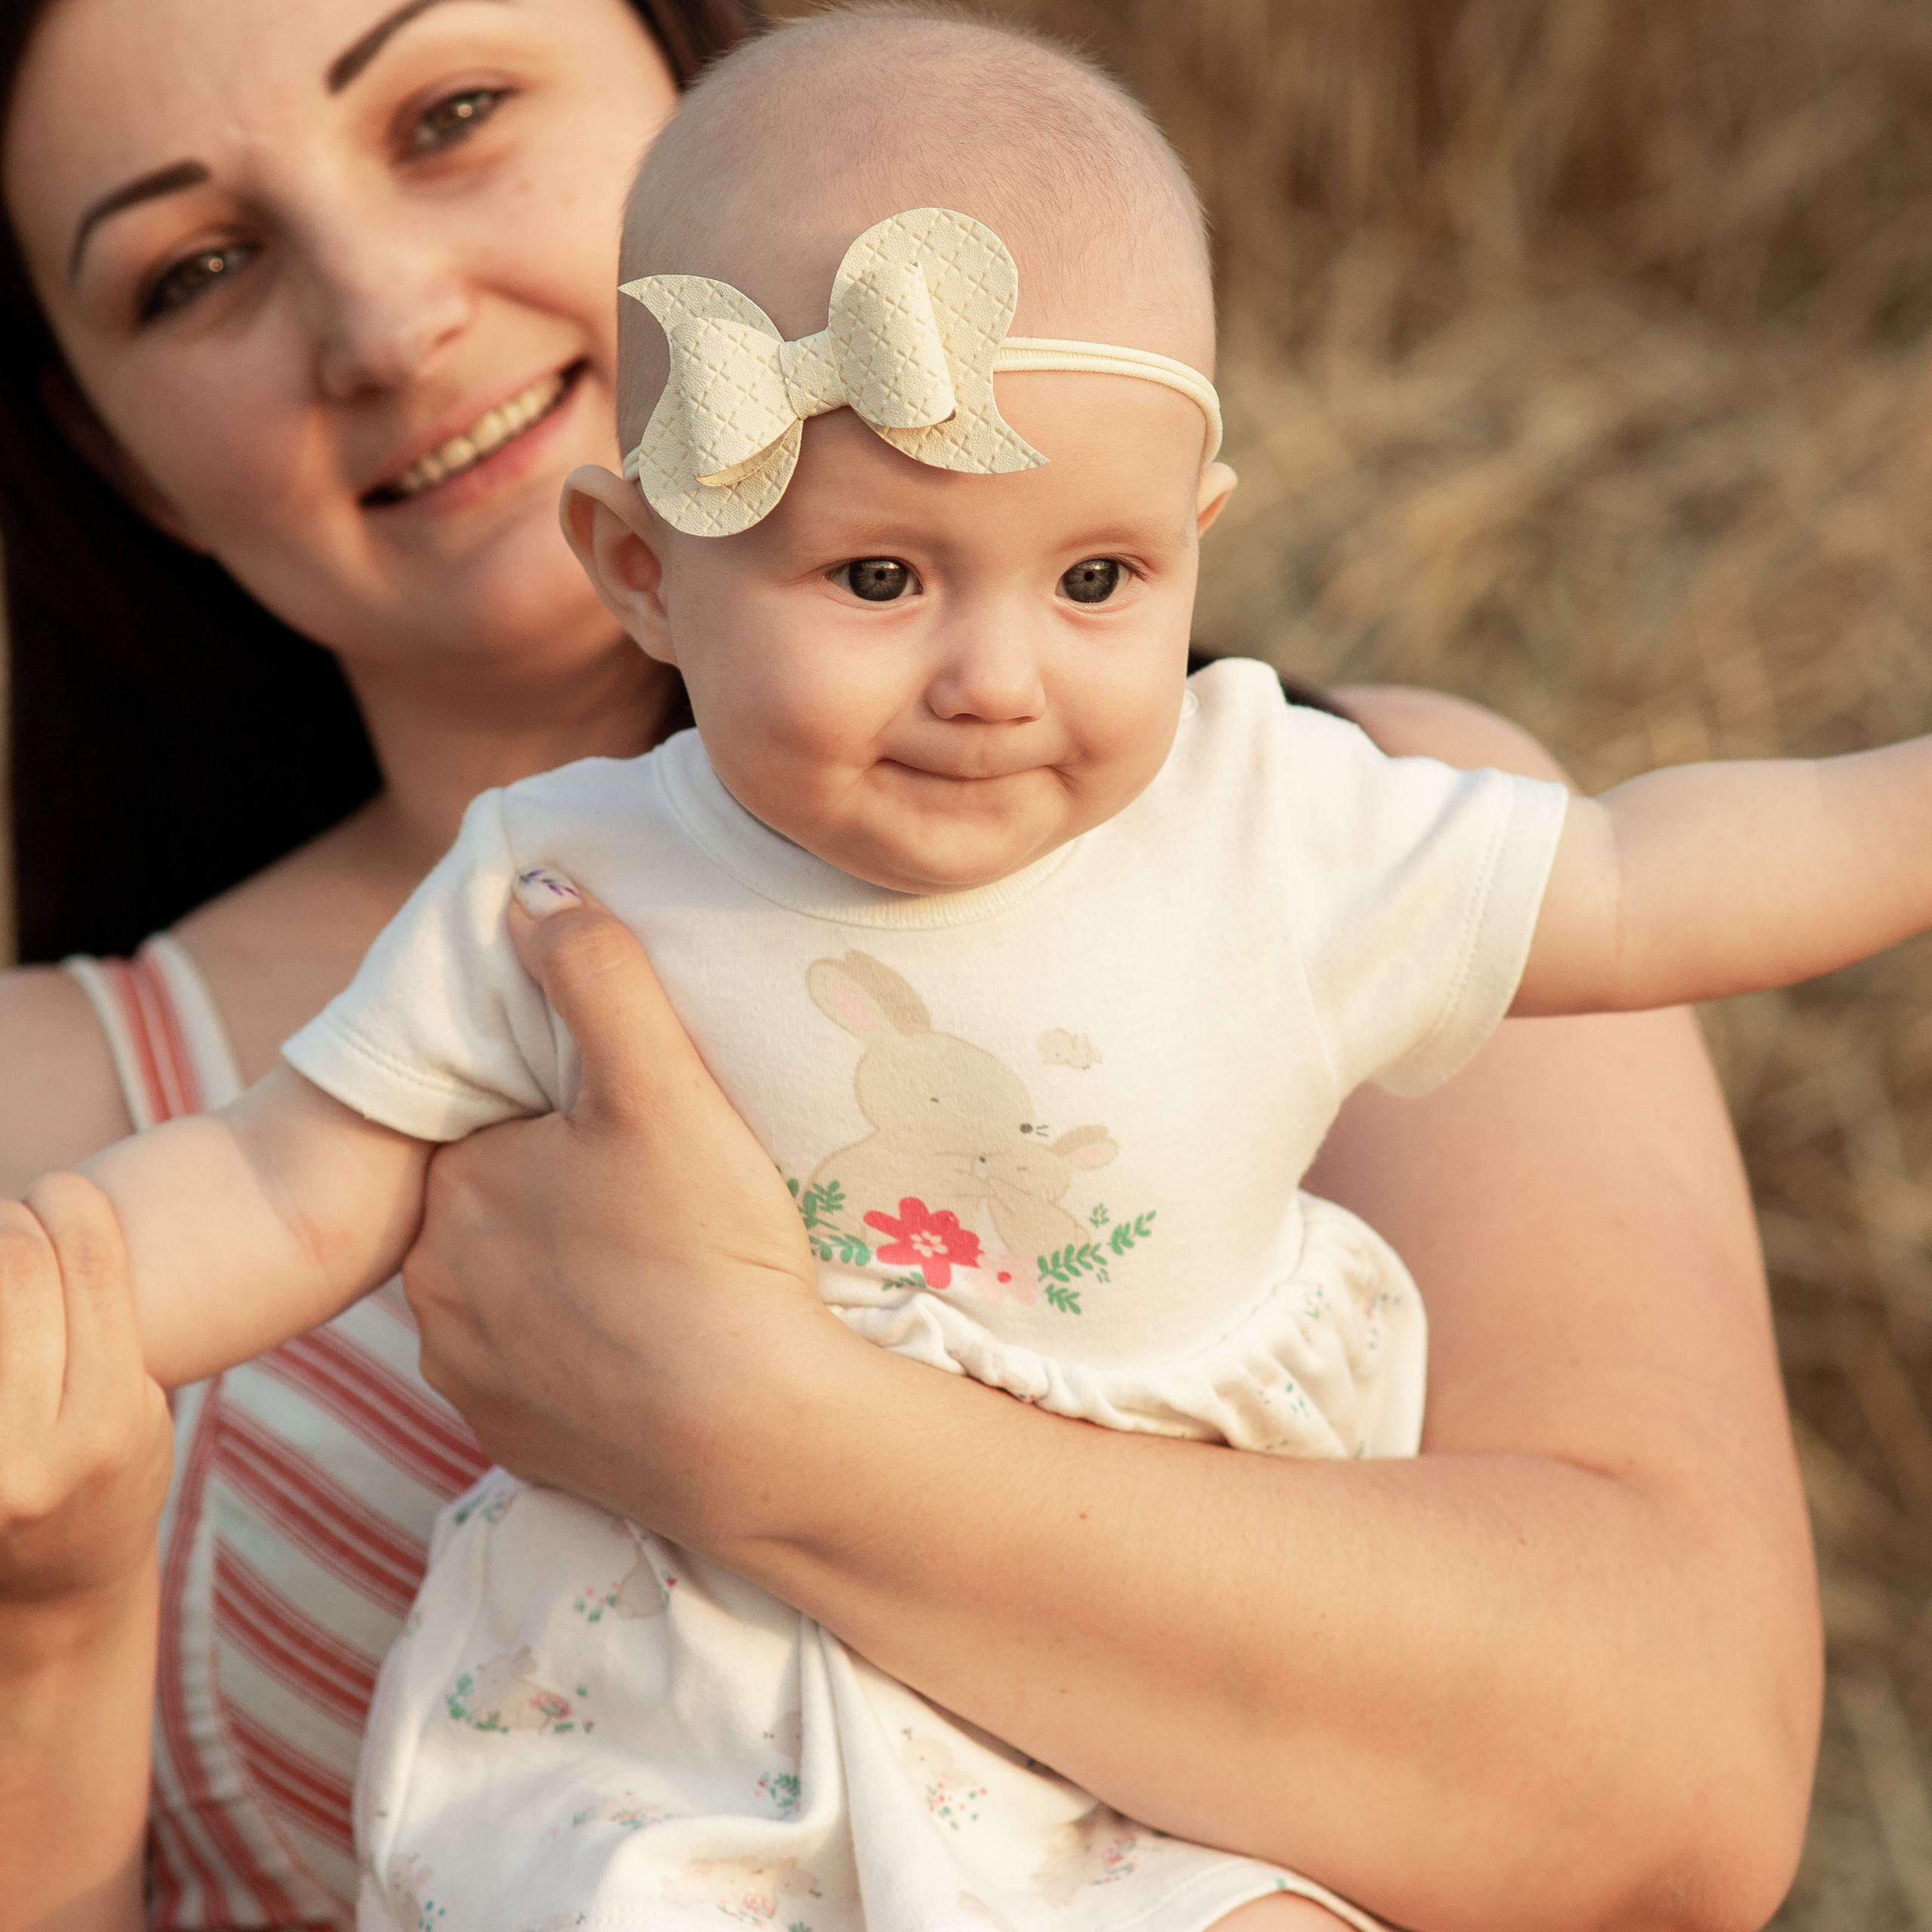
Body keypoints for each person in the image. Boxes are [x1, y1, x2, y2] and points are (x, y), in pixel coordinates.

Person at [0, 5, 1818, 1932]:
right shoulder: (73, 1117)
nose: (382, 320)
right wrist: (51, 1637)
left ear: (693, 92)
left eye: (453, 114)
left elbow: (1678, 1796)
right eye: (194, 269)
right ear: (121, 460)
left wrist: (754, 1419)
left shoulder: (1349, 838)